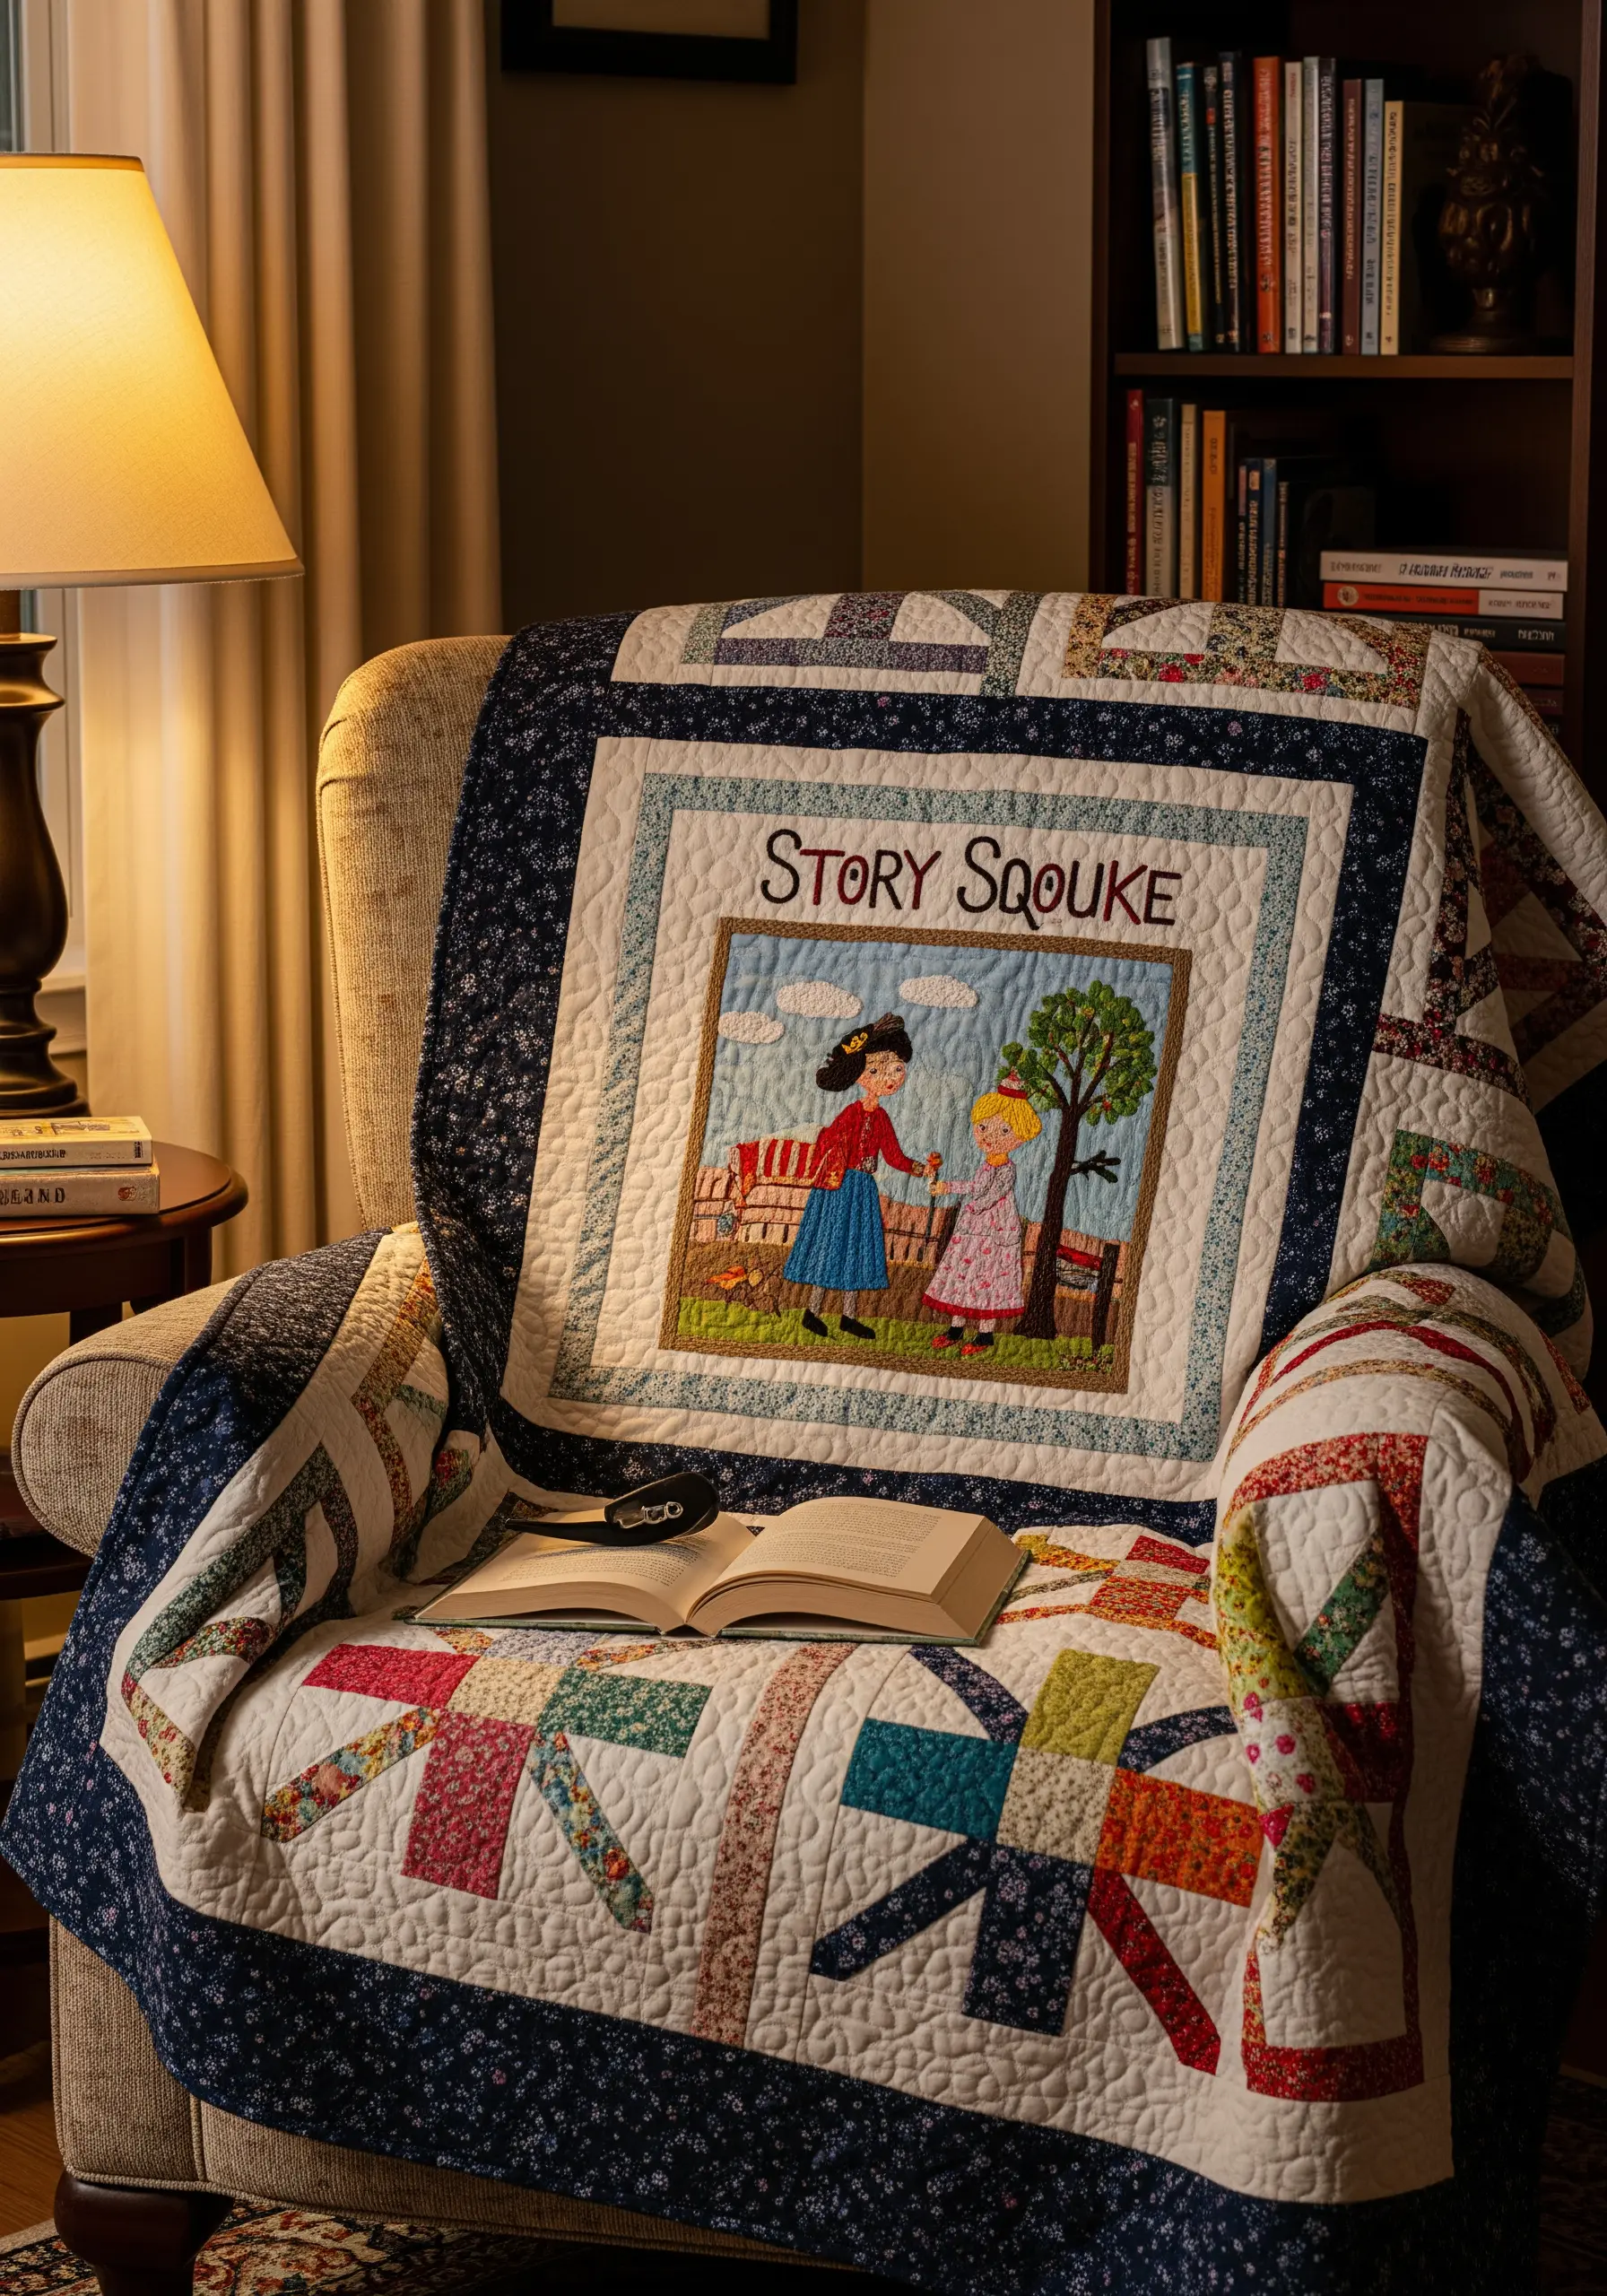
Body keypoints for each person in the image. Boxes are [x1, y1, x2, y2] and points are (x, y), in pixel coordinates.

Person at [784, 1012, 939, 1339]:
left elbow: (894, 1156)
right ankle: (813, 1310)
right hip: (839, 1187)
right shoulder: (851, 1113)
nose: (890, 1077)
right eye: (877, 1069)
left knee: (856, 1249)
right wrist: (841, 1155)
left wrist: (921, 1169)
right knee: (831, 1245)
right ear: (859, 1074)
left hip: (863, 1190)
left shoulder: (881, 1118)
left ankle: (849, 1315)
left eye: (896, 1068)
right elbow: (828, 1141)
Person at [922, 1073, 1042, 1356]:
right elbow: (975, 1187)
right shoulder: (986, 1165)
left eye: (1004, 1130)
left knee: (990, 1278)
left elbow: (994, 1193)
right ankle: (956, 1328)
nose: (988, 1136)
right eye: (983, 1127)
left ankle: (985, 1335)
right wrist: (946, 1186)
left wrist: (976, 1207)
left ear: (1020, 1137)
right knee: (964, 1274)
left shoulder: (1007, 1169)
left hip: (996, 1231)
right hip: (973, 1230)